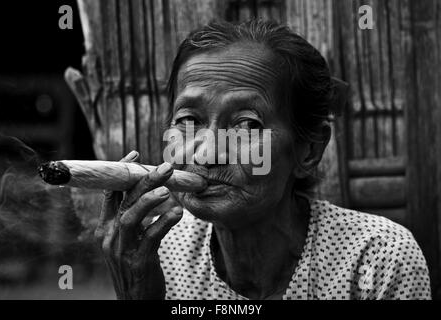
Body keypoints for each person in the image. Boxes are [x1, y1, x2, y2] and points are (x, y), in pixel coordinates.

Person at [94, 20, 431, 300]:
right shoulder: (158, 254)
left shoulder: (377, 259)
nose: (206, 153)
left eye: (246, 125)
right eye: (188, 120)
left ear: (308, 151)